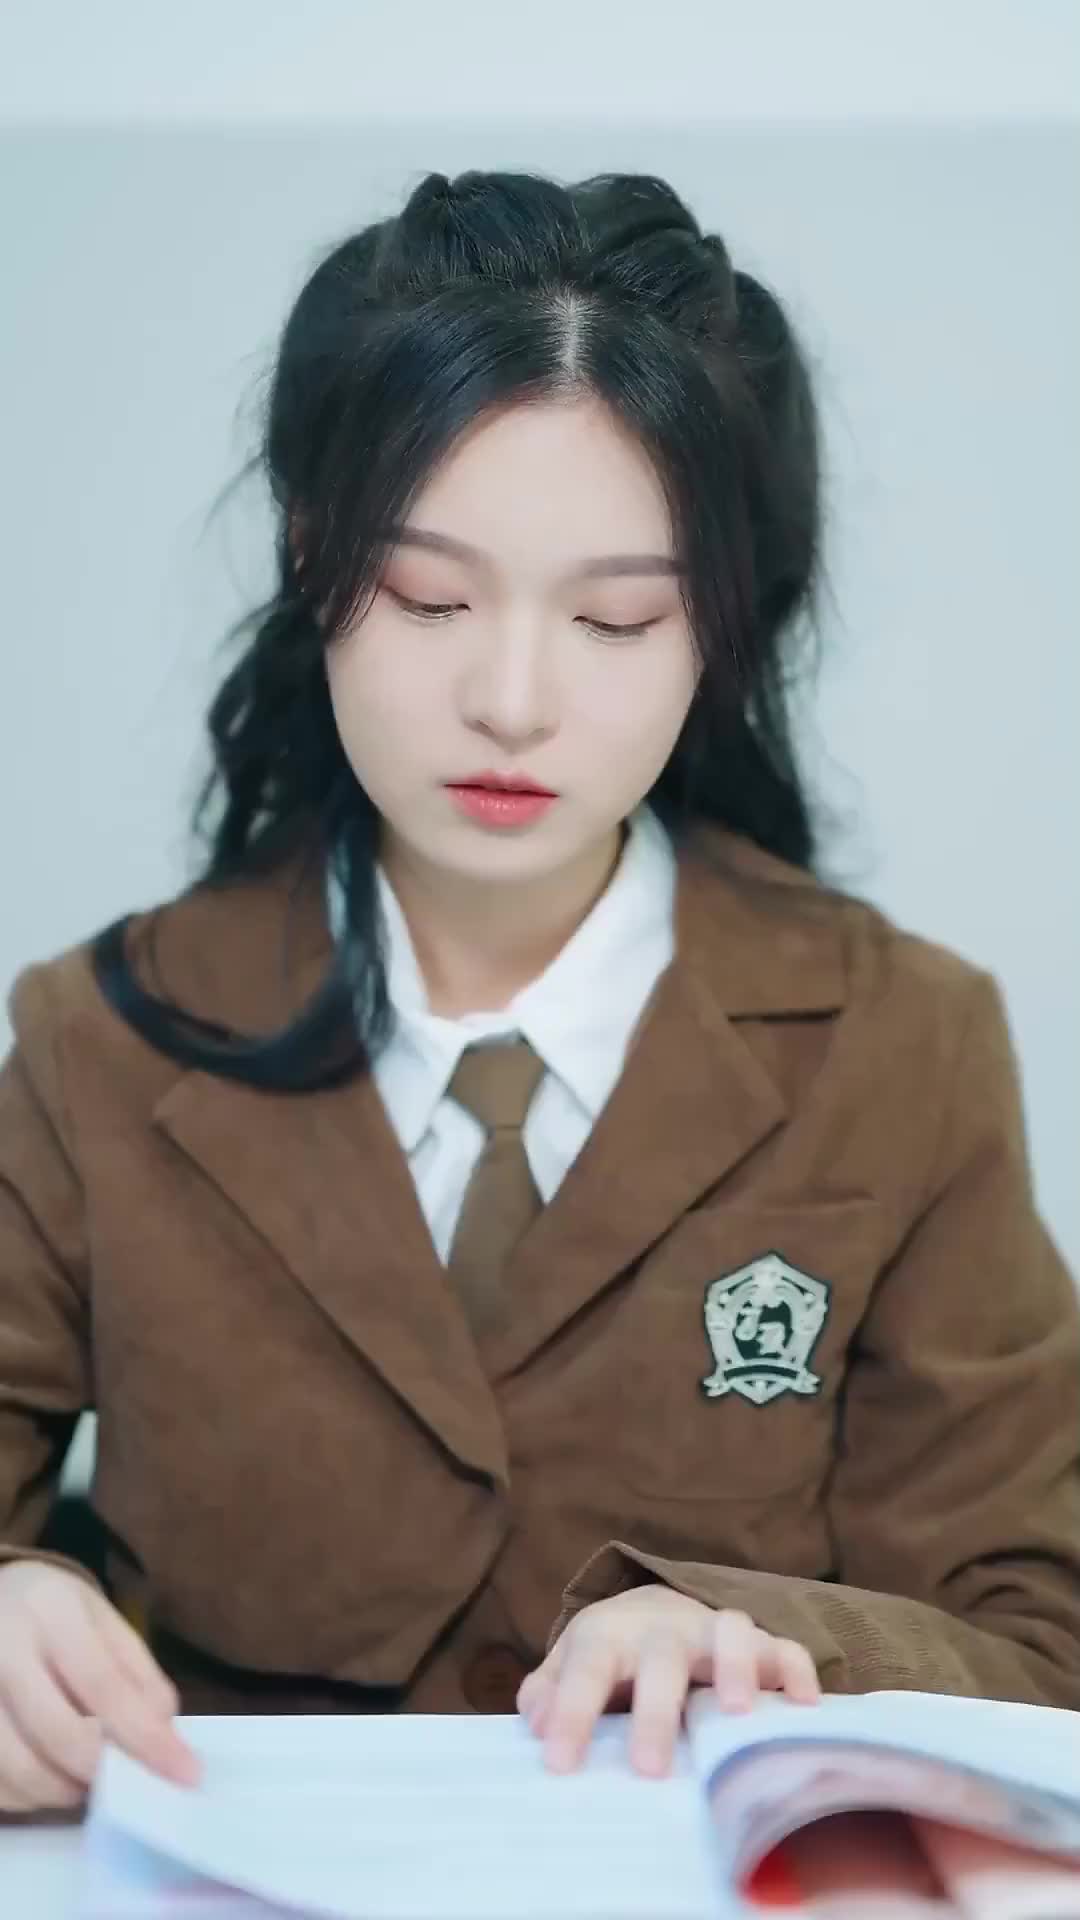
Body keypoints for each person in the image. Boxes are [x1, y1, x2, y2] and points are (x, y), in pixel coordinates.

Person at [1, 167, 1078, 1820]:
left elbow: (1041, 1642)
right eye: (430, 597)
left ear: (720, 626)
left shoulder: (900, 1043)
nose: (511, 699)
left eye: (616, 617)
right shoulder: (102, 1037)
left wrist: (764, 1638)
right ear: (313, 557)